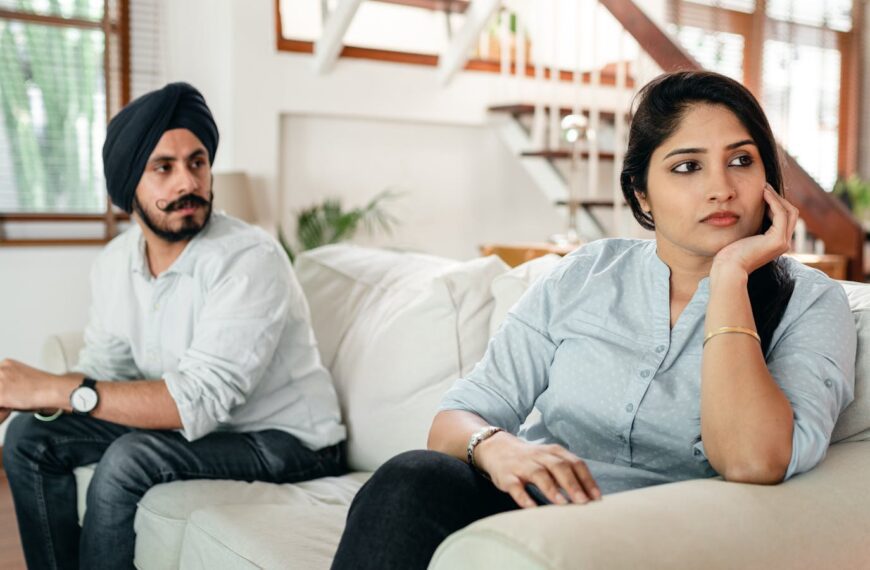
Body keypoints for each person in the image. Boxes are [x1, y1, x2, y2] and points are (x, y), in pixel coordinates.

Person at [330, 70, 857, 569]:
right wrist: (497, 447)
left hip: (656, 538)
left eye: (741, 161)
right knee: (409, 480)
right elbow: (454, 420)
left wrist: (730, 277)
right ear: (641, 193)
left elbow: (751, 460)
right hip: (527, 516)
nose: (721, 187)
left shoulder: (810, 303)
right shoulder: (585, 274)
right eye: (687, 166)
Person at [0, 82, 347, 570]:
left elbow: (197, 400)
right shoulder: (116, 262)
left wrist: (57, 389)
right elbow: (107, 367)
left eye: (197, 162)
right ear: (129, 187)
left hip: (289, 442)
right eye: (163, 167)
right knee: (30, 437)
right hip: (208, 428)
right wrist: (34, 395)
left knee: (128, 458)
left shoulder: (249, 258)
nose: (187, 182)